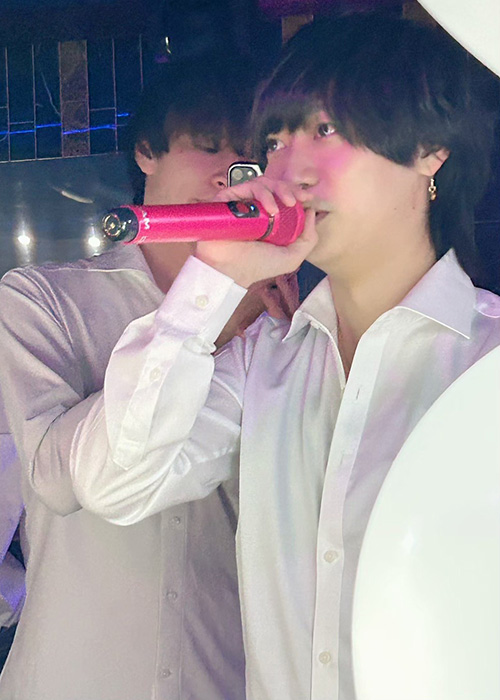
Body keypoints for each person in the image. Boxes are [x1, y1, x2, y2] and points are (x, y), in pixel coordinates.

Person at [68, 11, 499, 700]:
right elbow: (113, 482)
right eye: (274, 141)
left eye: (324, 130)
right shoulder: (264, 361)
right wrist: (213, 280)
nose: (288, 172)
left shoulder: (486, 367)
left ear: (430, 149)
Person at [0, 58, 298, 700]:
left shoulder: (286, 319)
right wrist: (213, 313)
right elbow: (56, 480)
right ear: (146, 151)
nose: (229, 172)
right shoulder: (41, 300)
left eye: (251, 155)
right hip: (72, 678)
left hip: (226, 676)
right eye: (209, 144)